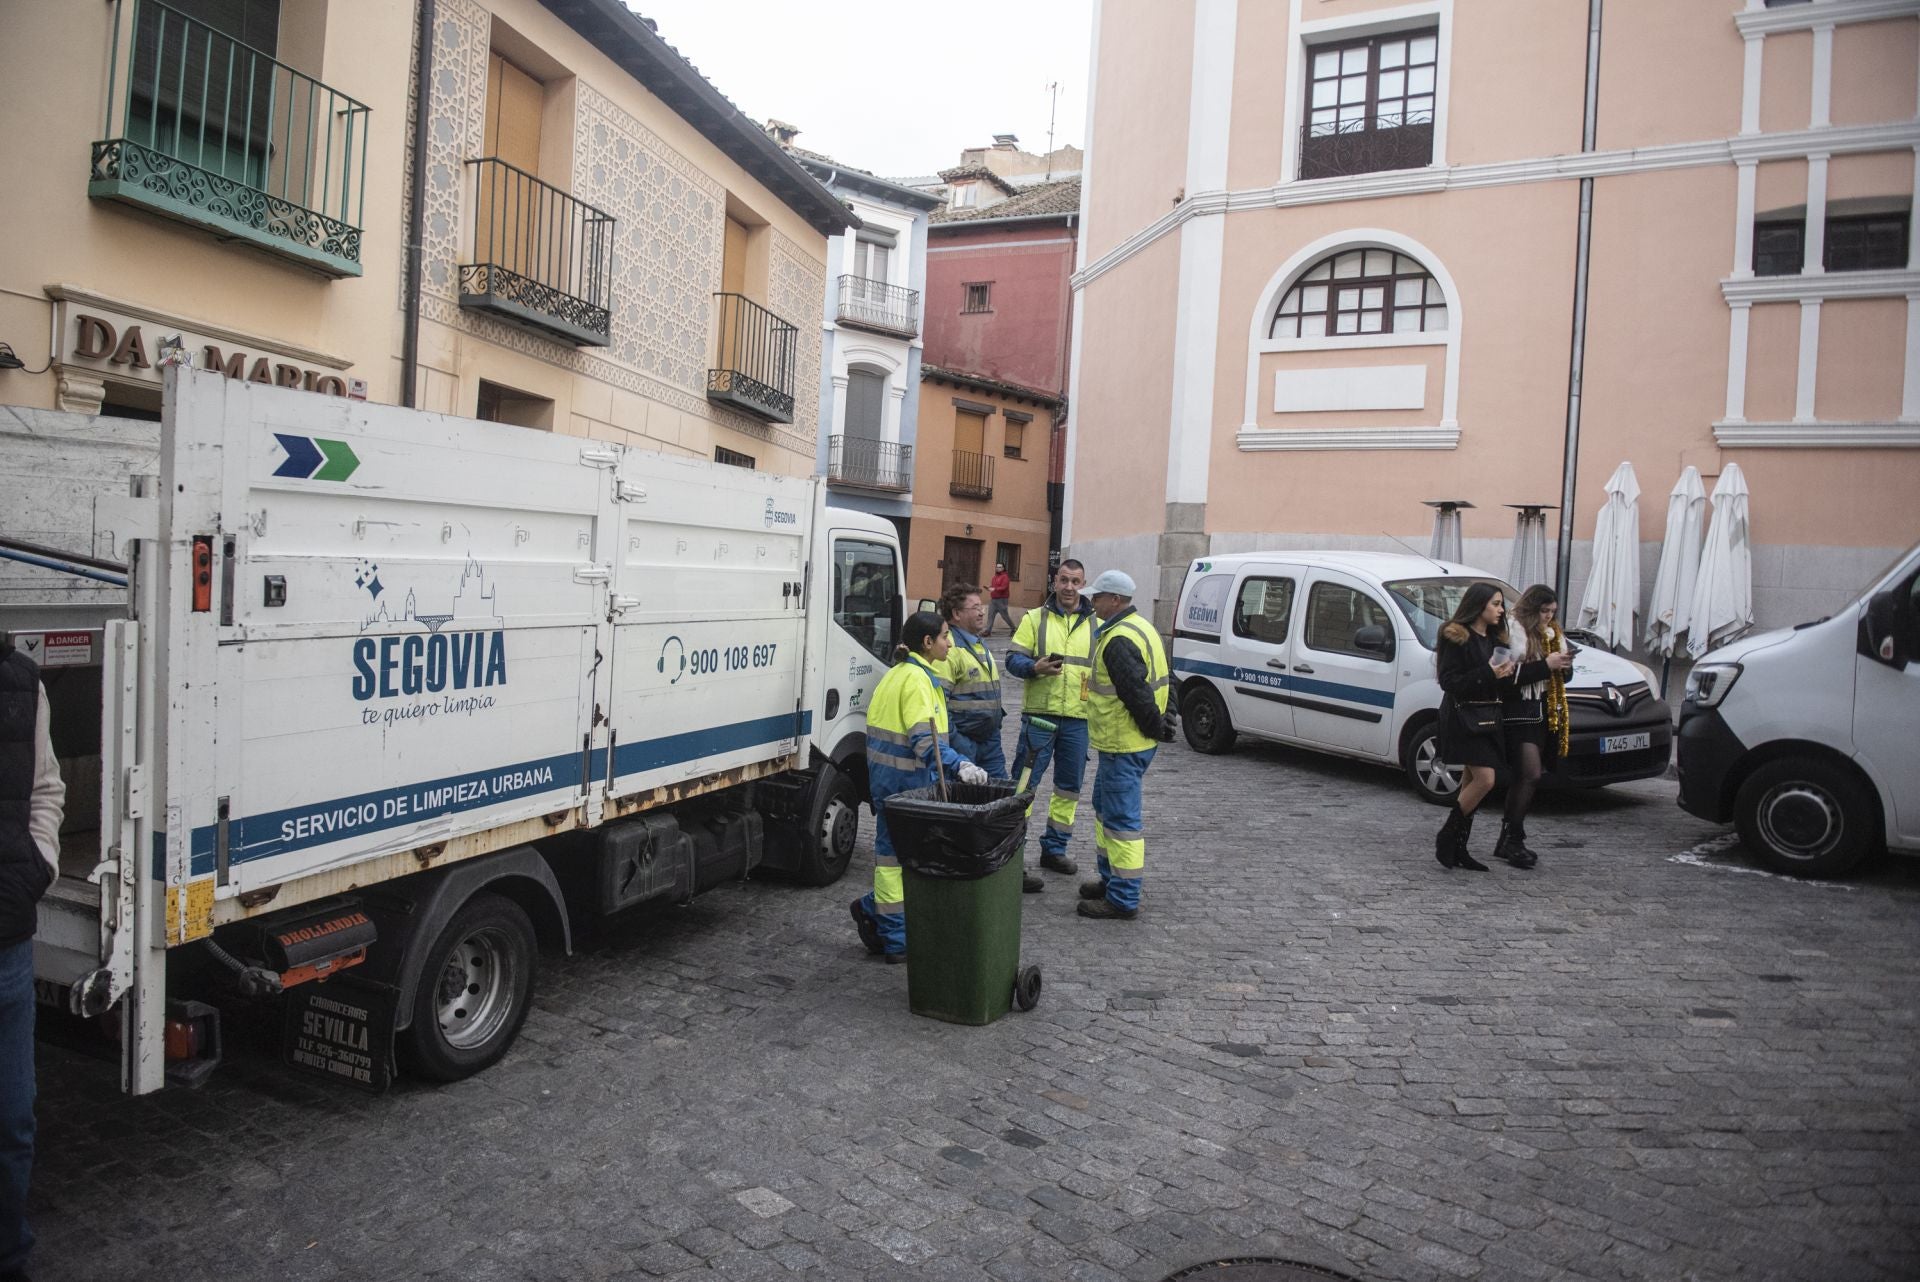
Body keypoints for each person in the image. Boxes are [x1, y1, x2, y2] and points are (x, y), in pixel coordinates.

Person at [850, 612, 986, 963]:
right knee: (897, 864)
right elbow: (924, 741)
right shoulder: (916, 680)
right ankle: (895, 939)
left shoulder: (900, 674)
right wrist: (961, 766)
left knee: (899, 860)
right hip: (906, 789)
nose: (949, 642)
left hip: (892, 785)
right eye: (944, 636)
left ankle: (877, 915)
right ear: (927, 643)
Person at [0, 635, 62, 1282]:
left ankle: (9, 1257)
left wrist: (37, 867)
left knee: (13, 1123)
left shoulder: (20, 680)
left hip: (7, 946)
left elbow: (45, 787)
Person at [1076, 571, 1176, 920]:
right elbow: (1165, 677)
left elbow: (1137, 693)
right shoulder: (1142, 628)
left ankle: (1122, 897)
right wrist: (1163, 722)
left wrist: (1155, 728)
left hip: (1124, 743)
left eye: (1098, 597)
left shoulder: (1119, 637)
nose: (1092, 601)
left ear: (1114, 600)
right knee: (1105, 810)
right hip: (1124, 743)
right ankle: (1112, 879)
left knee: (1120, 820)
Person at [1005, 560, 1097, 881]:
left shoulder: (1095, 625)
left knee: (1068, 789)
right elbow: (1011, 660)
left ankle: (1055, 849)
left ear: (1083, 584)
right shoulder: (1034, 619)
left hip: (1078, 720)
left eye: (1075, 581)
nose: (1069, 587)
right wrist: (1034, 667)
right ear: (1054, 582)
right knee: (1024, 788)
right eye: (1064, 580)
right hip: (1039, 720)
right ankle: (1013, 851)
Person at [1432, 582, 1517, 871]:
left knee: (1471, 783)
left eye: (1501, 604)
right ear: (1478, 605)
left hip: (1487, 718)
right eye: (1495, 604)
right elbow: (1449, 682)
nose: (1501, 609)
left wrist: (1504, 675)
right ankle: (1446, 836)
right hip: (1462, 718)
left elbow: (1496, 682)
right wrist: (1488, 673)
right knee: (1485, 780)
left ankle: (1458, 848)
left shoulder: (1495, 638)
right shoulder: (1455, 635)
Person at [1496, 585, 1575, 868]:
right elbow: (1505, 677)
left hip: (1543, 709)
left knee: (1524, 777)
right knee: (1529, 774)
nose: (1548, 617)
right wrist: (1547, 665)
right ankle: (1514, 839)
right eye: (1544, 611)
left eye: (1553, 612)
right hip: (1517, 712)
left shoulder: (1554, 634)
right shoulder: (1513, 632)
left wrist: (1563, 666)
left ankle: (1508, 839)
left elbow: (1561, 678)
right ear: (1532, 609)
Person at [935, 584, 1008, 781]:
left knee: (1000, 795)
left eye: (981, 606)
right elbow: (939, 704)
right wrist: (959, 742)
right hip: (964, 744)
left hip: (989, 742)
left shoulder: (977, 642)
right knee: (967, 801)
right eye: (975, 607)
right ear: (957, 613)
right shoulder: (948, 647)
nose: (982, 612)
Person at [984, 562, 1013, 636]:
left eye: (1000, 567)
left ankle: (1014, 628)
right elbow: (994, 586)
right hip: (993, 600)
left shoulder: (1005, 577)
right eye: (997, 567)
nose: (998, 568)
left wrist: (994, 589)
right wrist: (989, 587)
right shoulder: (994, 577)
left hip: (1002, 600)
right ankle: (988, 631)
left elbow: (1004, 587)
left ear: (1003, 568)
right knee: (990, 615)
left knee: (1005, 616)